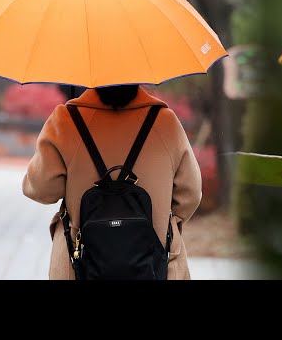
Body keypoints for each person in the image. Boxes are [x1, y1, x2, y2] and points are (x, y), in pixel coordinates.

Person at [22, 84, 202, 280]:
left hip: (78, 266)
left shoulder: (66, 120)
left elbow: (42, 190)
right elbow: (189, 195)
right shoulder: (165, 122)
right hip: (157, 265)